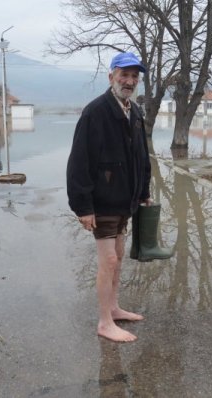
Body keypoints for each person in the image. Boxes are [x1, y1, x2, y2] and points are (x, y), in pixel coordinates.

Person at [66, 52, 151, 343]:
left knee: (118, 256)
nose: (128, 81)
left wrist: (143, 193)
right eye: (123, 75)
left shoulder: (134, 111)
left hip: (124, 201)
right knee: (109, 260)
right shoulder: (96, 112)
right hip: (101, 200)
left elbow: (141, 157)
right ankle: (104, 322)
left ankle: (113, 308)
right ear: (111, 76)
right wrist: (83, 207)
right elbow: (79, 161)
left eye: (133, 76)